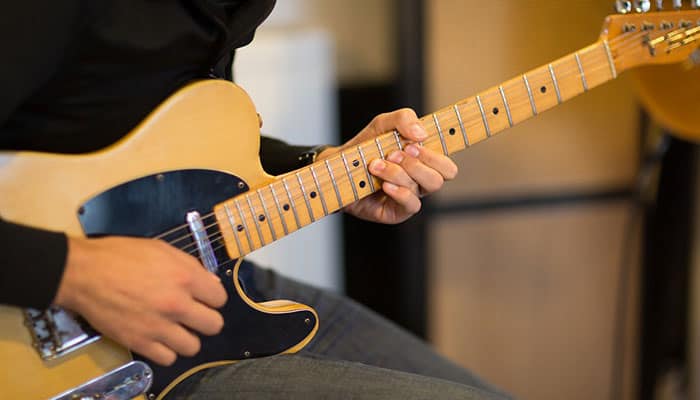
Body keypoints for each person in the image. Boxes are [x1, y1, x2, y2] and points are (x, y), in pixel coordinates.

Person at [1, 1, 511, 399]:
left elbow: (176, 141)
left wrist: (326, 167)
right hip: (46, 328)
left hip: (208, 282)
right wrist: (75, 272)